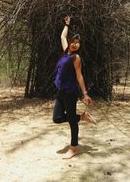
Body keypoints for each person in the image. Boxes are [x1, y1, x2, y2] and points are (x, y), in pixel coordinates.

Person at [53, 15, 96, 159]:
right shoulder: (66, 52)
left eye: (78, 43)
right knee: (57, 118)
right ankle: (81, 117)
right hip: (60, 91)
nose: (75, 44)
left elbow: (79, 76)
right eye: (74, 42)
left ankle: (73, 147)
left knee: (71, 121)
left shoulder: (76, 58)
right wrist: (67, 24)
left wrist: (85, 94)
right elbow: (62, 36)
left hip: (70, 91)